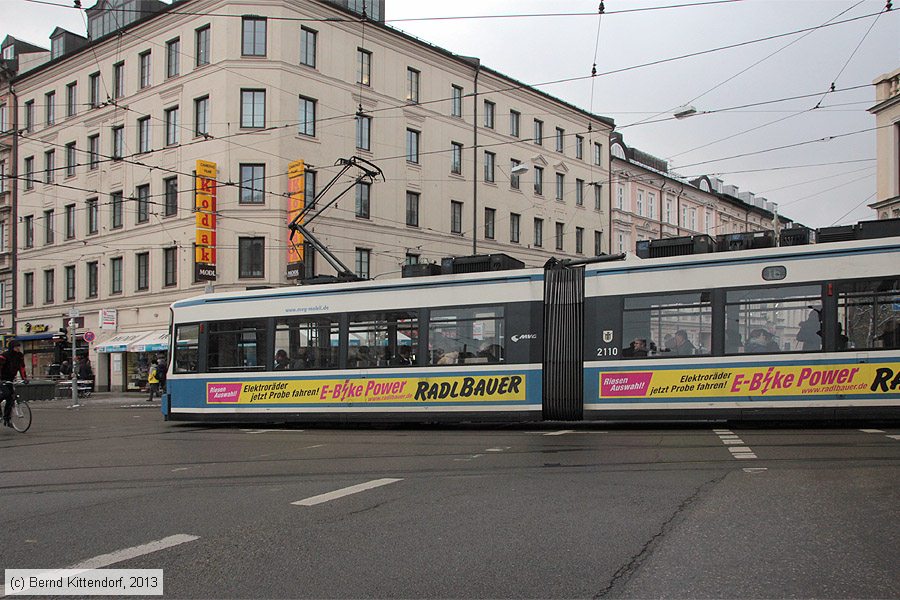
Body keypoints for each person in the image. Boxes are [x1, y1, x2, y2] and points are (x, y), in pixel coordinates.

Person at [1, 341, 29, 427]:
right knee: (6, 393)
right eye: (16, 347)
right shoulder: (4, 356)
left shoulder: (19, 356)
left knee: (11, 398)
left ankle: (6, 418)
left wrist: (24, 378)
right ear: (12, 347)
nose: (18, 348)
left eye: (19, 346)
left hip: (10, 379)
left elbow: (22, 367)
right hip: (2, 378)